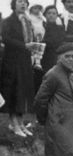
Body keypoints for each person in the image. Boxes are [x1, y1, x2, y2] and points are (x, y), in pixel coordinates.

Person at [2, 0, 39, 137]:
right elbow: (6, 39)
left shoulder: (28, 21)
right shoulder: (8, 21)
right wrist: (24, 46)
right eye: (20, 2)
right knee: (13, 91)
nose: (23, 4)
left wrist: (34, 46)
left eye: (25, 2)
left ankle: (20, 122)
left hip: (25, 61)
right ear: (14, 4)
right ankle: (14, 124)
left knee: (23, 91)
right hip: (12, 61)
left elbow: (31, 39)